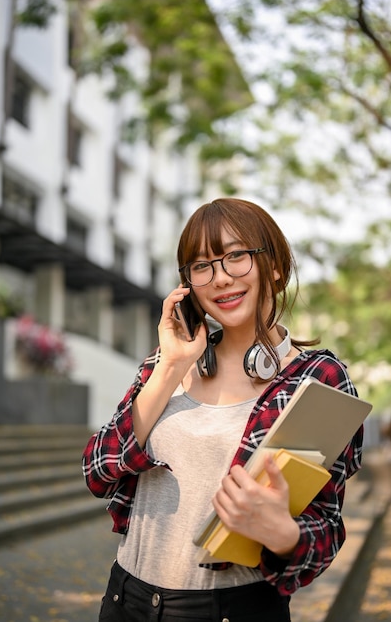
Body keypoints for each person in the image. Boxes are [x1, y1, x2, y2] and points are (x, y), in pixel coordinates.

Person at [82, 198, 363, 622]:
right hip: (126, 600)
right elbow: (97, 470)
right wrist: (171, 367)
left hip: (233, 609)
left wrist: (285, 536)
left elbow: (325, 528)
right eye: (202, 266)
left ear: (274, 267)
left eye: (236, 256)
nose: (220, 279)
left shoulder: (317, 378)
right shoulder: (169, 362)